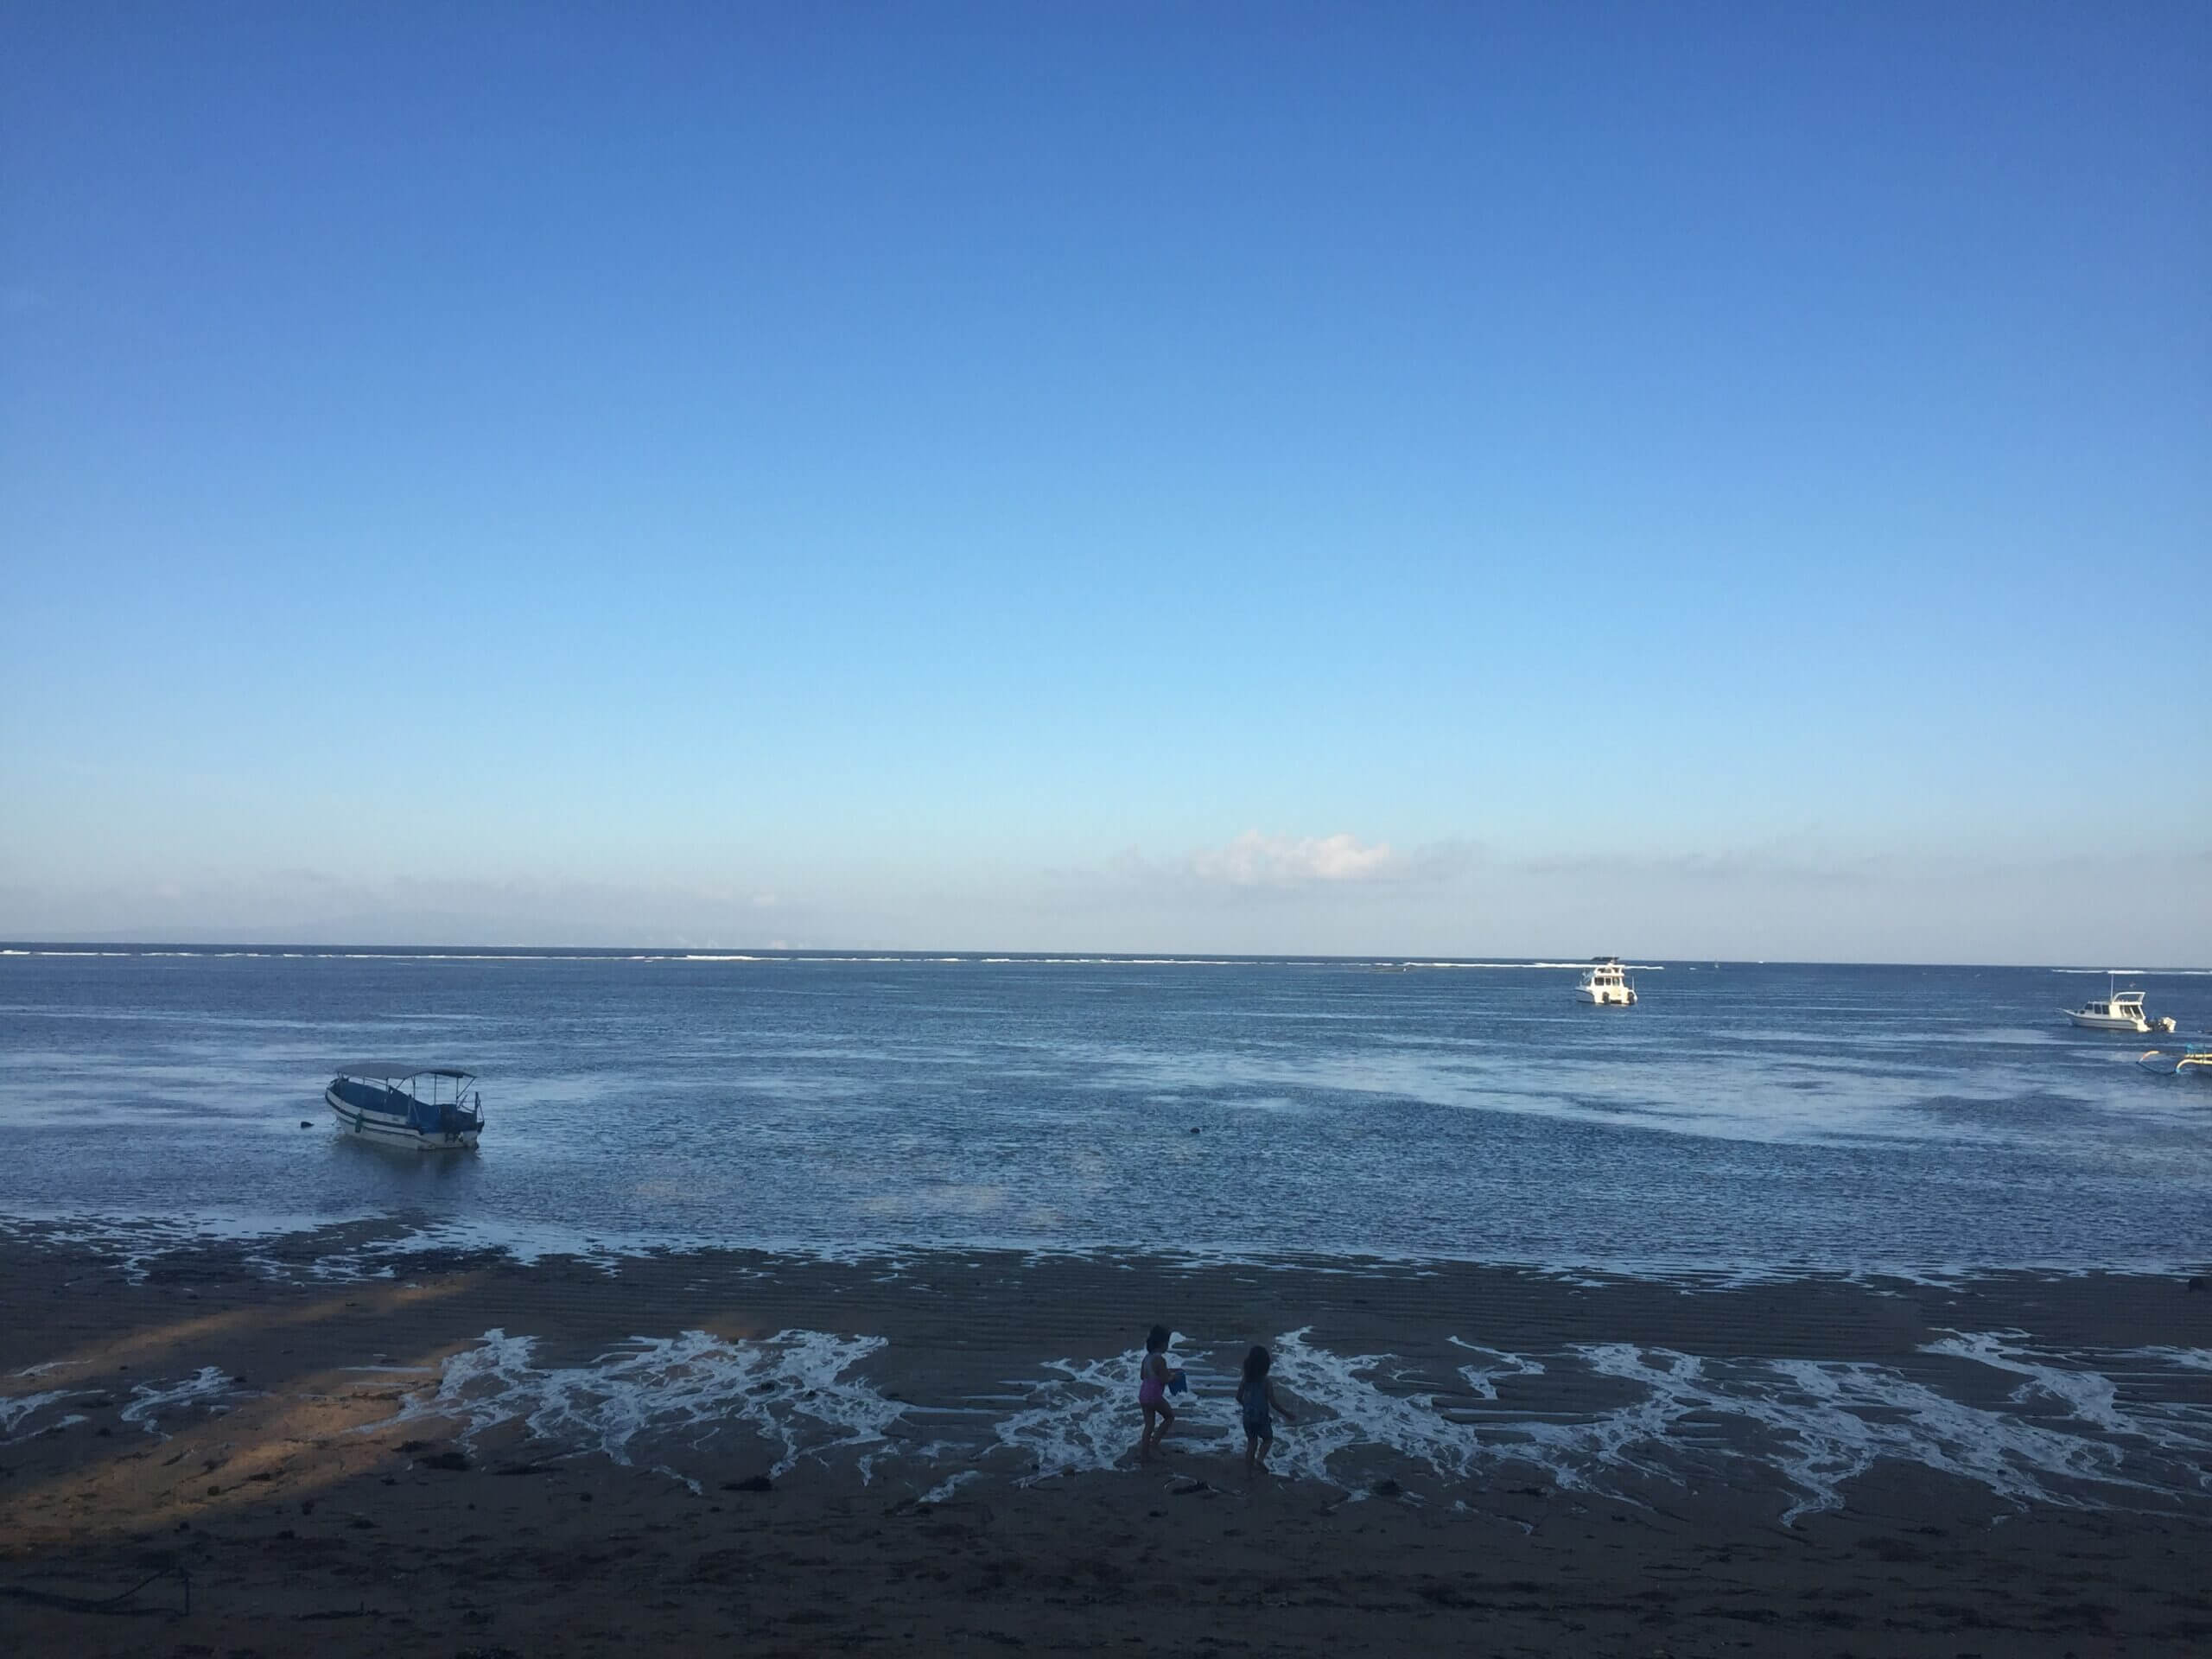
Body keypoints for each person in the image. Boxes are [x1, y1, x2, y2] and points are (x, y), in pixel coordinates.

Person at [1236, 1344, 1297, 1481]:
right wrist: (1287, 1414)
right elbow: (1273, 1403)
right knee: (1268, 1440)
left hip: (1248, 1418)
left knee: (1251, 1443)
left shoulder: (1245, 1380)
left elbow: (1238, 1397)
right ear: (1265, 1366)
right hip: (1262, 1418)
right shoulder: (1266, 1382)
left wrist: (1246, 1407)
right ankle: (1260, 1459)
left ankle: (1248, 1474)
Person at [1136, 1324, 1176, 1462]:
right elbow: (1166, 1379)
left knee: (1149, 1425)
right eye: (1167, 1343)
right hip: (1154, 1396)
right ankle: (1155, 1443)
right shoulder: (1160, 1359)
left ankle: (1144, 1454)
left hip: (1144, 1395)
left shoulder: (1147, 1358)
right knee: (1169, 1416)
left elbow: (1142, 1376)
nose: (1168, 1346)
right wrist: (1174, 1377)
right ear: (1162, 1344)